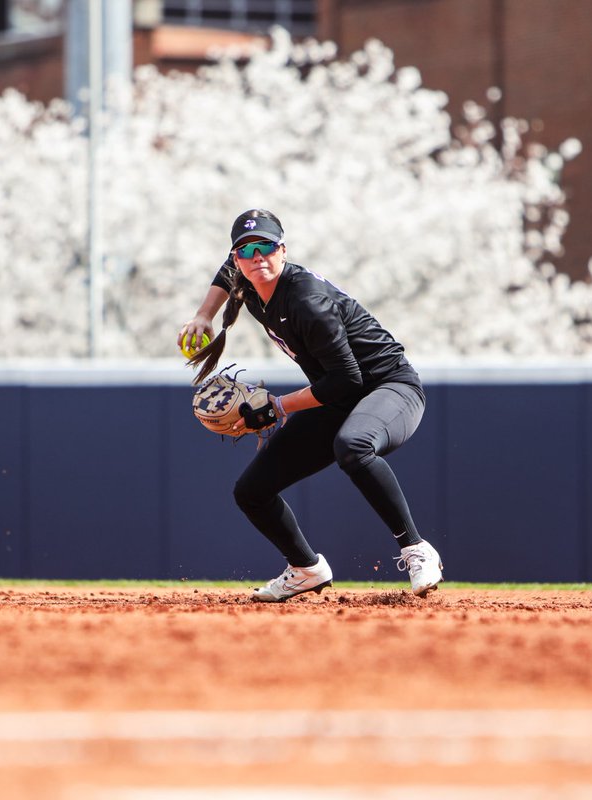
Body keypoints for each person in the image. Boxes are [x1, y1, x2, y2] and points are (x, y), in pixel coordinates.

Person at [179, 209, 442, 601]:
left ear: (283, 251)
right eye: (245, 250)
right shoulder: (249, 276)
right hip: (337, 395)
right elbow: (226, 271)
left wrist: (276, 406)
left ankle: (417, 549)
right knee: (252, 491)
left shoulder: (306, 300)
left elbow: (348, 379)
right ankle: (305, 568)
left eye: (266, 247)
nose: (256, 257)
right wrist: (204, 316)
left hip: (389, 386)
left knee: (353, 446)